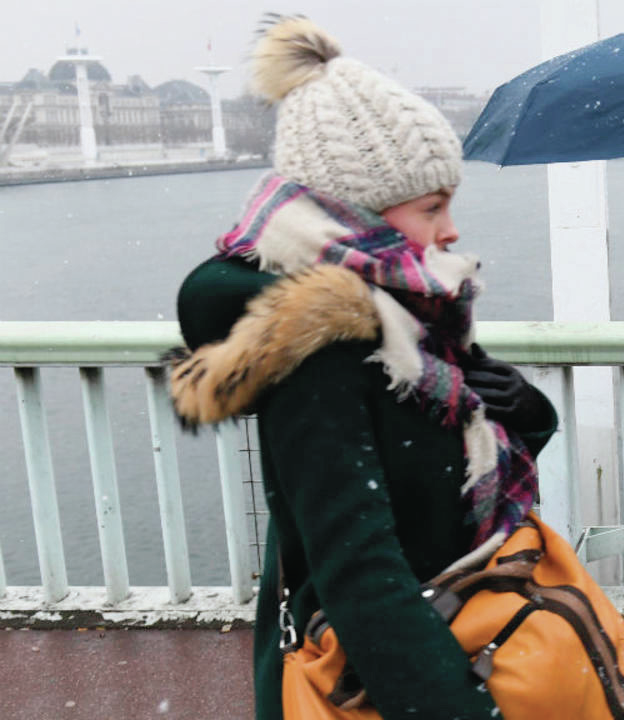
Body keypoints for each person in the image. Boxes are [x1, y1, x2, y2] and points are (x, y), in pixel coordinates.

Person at [166, 16, 556, 720]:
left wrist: (526, 410)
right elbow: (360, 571)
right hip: (375, 677)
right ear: (357, 213)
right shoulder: (319, 346)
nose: (451, 229)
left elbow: (441, 468)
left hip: (439, 634)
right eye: (432, 206)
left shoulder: (408, 310)